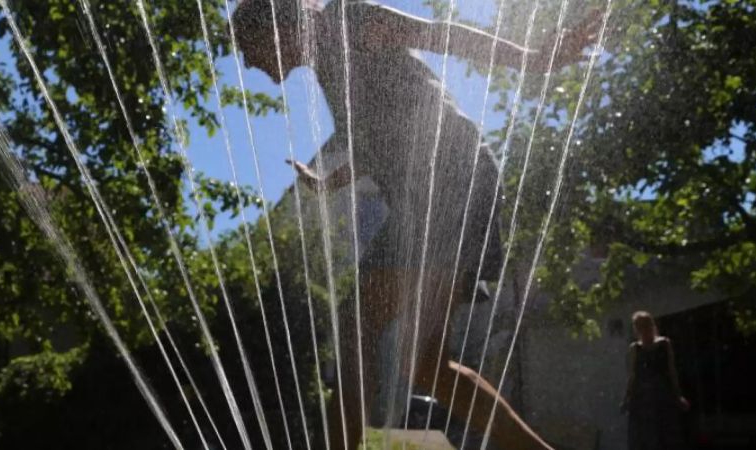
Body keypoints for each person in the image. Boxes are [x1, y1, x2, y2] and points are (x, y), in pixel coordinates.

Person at [231, 1, 600, 448]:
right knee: (425, 364)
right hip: (439, 187)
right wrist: (330, 182)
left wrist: (533, 60)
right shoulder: (329, 67)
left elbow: (443, 35)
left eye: (249, 50)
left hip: (448, 178)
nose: (251, 63)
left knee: (357, 325)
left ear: (275, 27)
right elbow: (379, 140)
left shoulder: (347, 20)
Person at [621, 311, 690, 450]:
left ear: (650, 325)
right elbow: (633, 375)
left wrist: (678, 395)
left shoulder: (664, 343)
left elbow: (672, 371)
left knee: (665, 435)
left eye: (644, 325)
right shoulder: (635, 348)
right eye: (638, 326)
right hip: (642, 398)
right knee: (644, 437)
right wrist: (626, 398)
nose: (642, 329)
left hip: (662, 396)